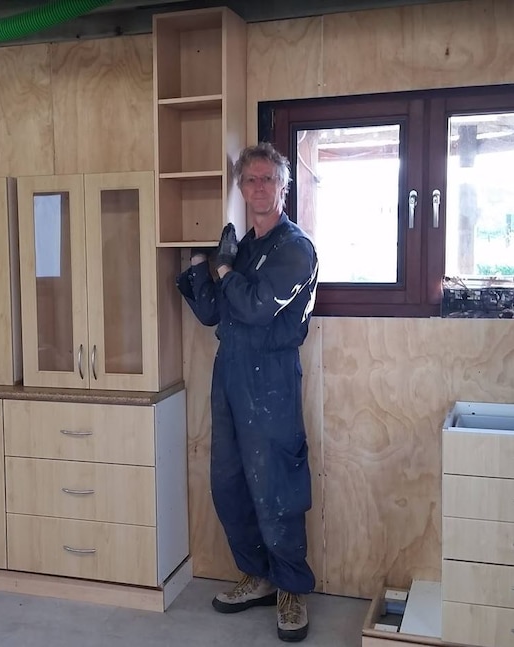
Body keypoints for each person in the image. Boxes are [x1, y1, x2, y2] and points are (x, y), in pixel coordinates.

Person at [176, 142, 319, 643]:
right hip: (230, 373)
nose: (258, 188)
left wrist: (222, 269)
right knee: (230, 483)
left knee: (275, 485)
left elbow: (257, 307)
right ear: (241, 188)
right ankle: (257, 575)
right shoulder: (244, 246)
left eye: (267, 180)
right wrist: (202, 263)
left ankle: (291, 589)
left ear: (284, 187)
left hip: (272, 379)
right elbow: (214, 312)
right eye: (249, 180)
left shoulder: (294, 248)